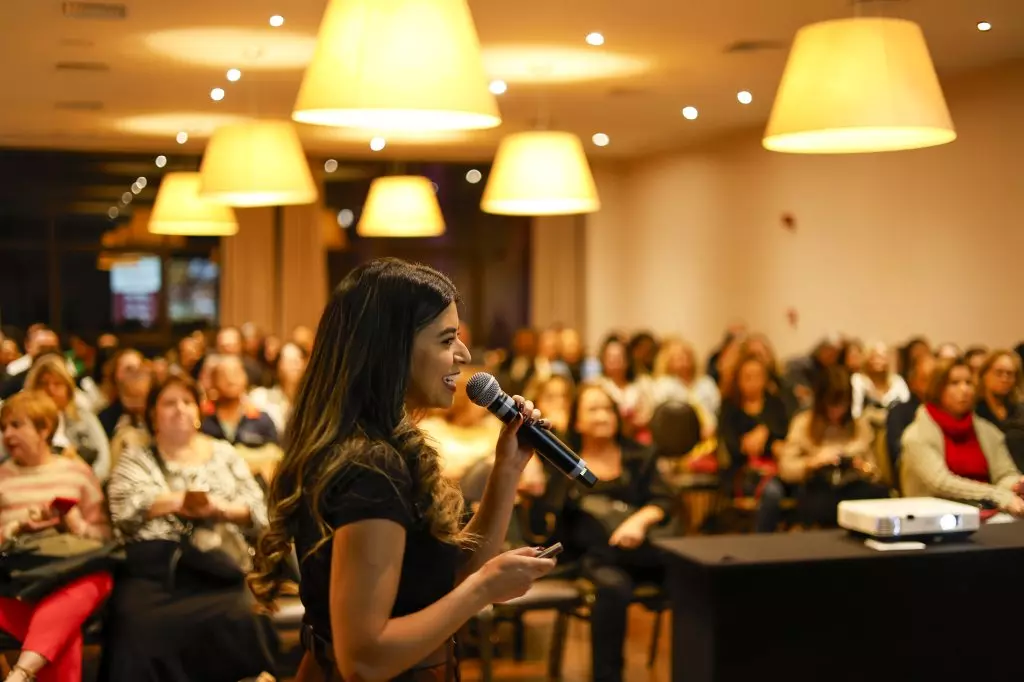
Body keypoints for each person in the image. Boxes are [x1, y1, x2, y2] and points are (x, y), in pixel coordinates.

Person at [249, 258, 556, 682]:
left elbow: (445, 577)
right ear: (392, 350)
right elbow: (364, 658)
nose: (464, 355)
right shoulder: (371, 468)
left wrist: (507, 469)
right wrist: (483, 589)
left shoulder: (379, 447)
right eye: (447, 339)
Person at [0, 391, 112, 682]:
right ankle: (23, 672)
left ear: (44, 429)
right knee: (64, 626)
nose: (7, 434)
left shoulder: (77, 473)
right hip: (18, 578)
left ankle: (21, 673)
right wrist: (15, 528)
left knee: (96, 577)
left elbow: (105, 538)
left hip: (70, 571)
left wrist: (73, 524)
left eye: (16, 425)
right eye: (3, 428)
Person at [901, 358, 1024, 514]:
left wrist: (1016, 484)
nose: (964, 389)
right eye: (954, 383)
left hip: (987, 513)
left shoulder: (987, 431)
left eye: (968, 383)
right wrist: (997, 495)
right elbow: (941, 483)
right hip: (932, 518)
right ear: (938, 389)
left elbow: (1004, 474)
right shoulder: (915, 435)